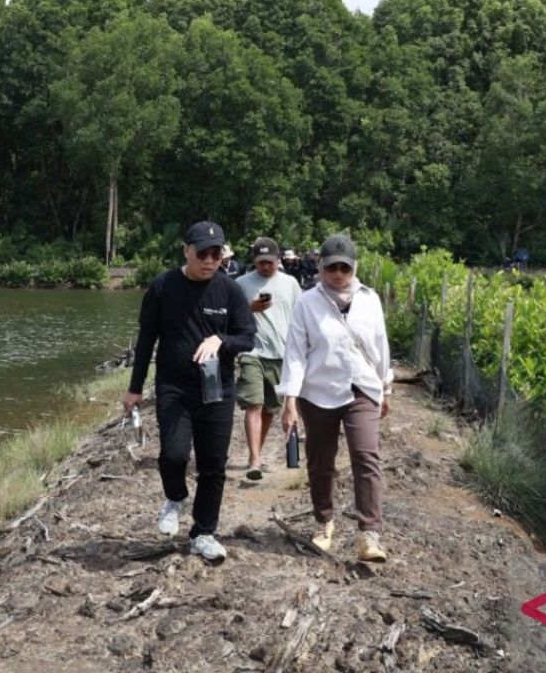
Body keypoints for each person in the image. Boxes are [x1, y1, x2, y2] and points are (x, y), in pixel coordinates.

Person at [124, 221, 255, 561]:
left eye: (217, 254)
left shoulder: (230, 291)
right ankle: (175, 497)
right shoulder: (163, 286)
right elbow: (146, 340)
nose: (210, 260)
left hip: (217, 391)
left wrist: (221, 340)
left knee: (213, 465)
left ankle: (204, 532)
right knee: (174, 454)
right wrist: (134, 388)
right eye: (203, 253)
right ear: (187, 250)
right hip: (173, 386)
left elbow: (247, 337)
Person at [278, 234, 393, 562]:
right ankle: (324, 521)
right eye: (332, 267)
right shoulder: (306, 302)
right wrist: (290, 399)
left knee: (366, 454)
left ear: (354, 267)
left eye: (345, 267)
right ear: (321, 267)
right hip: (318, 391)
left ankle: (370, 533)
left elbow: (380, 345)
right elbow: (296, 353)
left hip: (362, 387)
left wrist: (385, 387)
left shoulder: (370, 299)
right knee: (320, 460)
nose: (339, 273)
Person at [235, 237, 301, 480]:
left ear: (278, 260)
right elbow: (231, 318)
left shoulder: (291, 284)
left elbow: (300, 317)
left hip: (280, 354)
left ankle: (258, 454)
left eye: (270, 262)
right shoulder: (241, 284)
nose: (265, 267)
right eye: (261, 262)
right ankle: (253, 460)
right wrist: (249, 309)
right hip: (251, 352)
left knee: (270, 409)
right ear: (254, 261)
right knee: (254, 403)